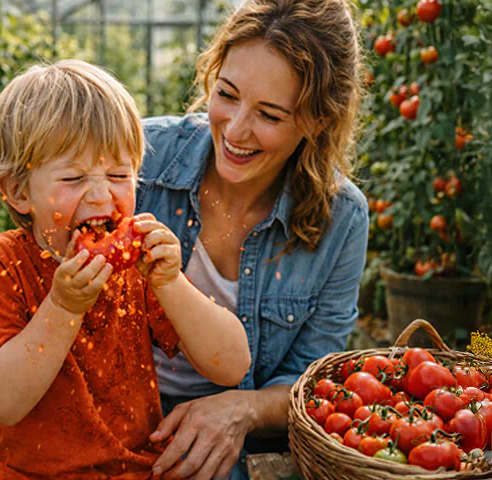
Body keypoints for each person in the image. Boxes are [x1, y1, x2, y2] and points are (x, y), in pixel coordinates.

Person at [0, 59, 251, 479]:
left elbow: (232, 364)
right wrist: (64, 306)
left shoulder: (137, 268)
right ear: (18, 191)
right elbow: (2, 403)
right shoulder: (0, 264)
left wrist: (171, 282)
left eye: (119, 174)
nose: (102, 194)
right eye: (73, 178)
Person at [136, 0, 369, 478]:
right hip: (112, 426)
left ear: (317, 121)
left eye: (270, 114)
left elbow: (311, 378)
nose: (236, 130)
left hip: (236, 456)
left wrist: (242, 409)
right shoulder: (140, 161)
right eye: (227, 93)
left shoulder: (340, 218)